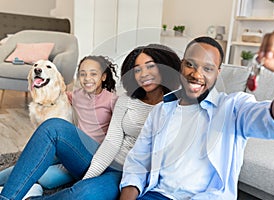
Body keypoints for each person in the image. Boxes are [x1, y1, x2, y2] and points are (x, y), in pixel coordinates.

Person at [119, 30, 274, 200]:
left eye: (208, 68)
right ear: (181, 65)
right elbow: (138, 162)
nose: (196, 74)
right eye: (190, 64)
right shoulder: (160, 110)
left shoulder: (233, 108)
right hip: (157, 194)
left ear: (218, 73)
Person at [0, 44, 181, 200]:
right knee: (53, 127)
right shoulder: (126, 100)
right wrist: (89, 176)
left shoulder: (176, 107)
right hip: (100, 158)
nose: (144, 74)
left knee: (82, 194)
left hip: (129, 175)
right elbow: (111, 142)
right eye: (137, 69)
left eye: (150, 67)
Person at [0, 55, 118, 200]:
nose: (87, 78)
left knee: (45, 178)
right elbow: (58, 95)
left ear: (104, 77)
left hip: (96, 156)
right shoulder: (77, 95)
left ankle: (32, 190)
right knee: (26, 166)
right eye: (83, 74)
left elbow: (118, 136)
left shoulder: (113, 100)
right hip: (74, 152)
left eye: (93, 74)